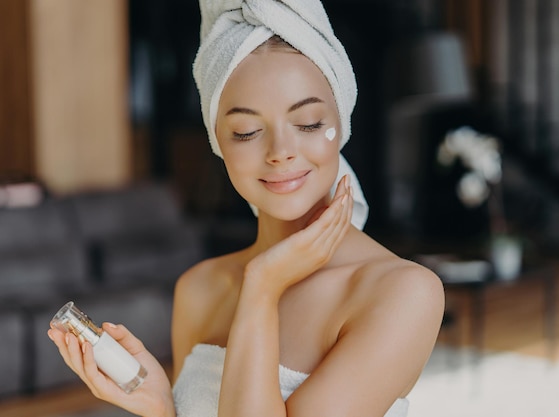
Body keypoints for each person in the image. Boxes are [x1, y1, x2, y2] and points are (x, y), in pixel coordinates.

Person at [48, 1, 444, 416]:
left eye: (308, 123)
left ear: (341, 123)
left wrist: (261, 288)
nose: (281, 153)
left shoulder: (402, 292)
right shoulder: (201, 288)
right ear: (218, 142)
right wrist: (163, 409)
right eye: (247, 131)